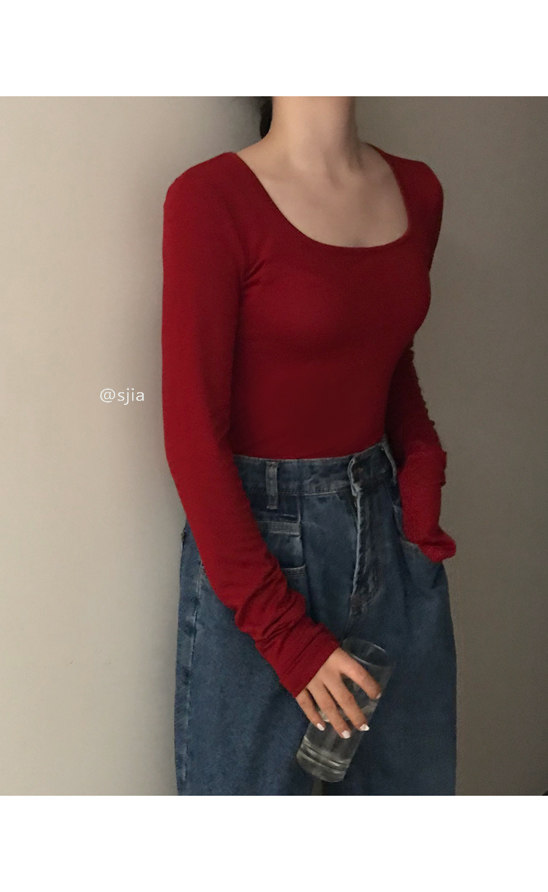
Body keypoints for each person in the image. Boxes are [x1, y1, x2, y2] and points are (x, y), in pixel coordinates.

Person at [161, 97, 458, 795]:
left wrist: (422, 478)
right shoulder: (211, 198)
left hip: (388, 538)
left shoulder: (419, 191)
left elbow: (387, 358)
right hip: (260, 551)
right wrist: (283, 634)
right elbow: (192, 432)